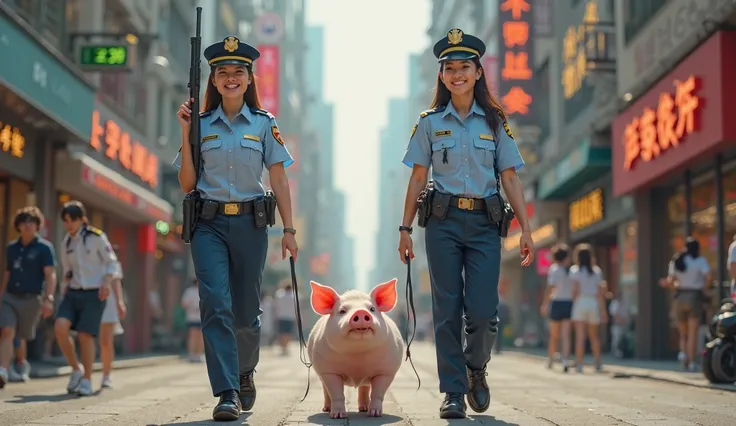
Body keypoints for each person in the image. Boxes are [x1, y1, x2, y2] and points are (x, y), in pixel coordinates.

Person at [397, 28, 535, 419]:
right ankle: (453, 391)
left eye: (465, 67)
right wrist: (404, 229)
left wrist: (525, 228)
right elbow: (418, 177)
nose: (458, 74)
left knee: (482, 311)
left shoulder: (494, 121)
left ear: (478, 72)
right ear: (441, 75)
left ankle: (476, 367)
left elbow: (510, 177)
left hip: (484, 224)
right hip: (441, 223)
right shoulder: (428, 123)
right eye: (450, 68)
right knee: (447, 310)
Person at [174, 35, 298, 421]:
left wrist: (290, 231)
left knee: (246, 312)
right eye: (222, 73)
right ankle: (226, 391)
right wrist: (185, 131)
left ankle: (245, 371)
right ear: (212, 80)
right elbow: (187, 183)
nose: (230, 78)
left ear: (249, 79)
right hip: (208, 224)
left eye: (237, 72)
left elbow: (278, 180)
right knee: (215, 303)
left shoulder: (264, 124)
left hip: (250, 224)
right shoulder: (201, 123)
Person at [55, 201, 118, 396]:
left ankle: (87, 380)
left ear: (82, 219)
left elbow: (111, 263)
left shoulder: (97, 237)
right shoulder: (66, 242)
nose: (69, 224)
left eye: (72, 220)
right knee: (60, 327)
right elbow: (67, 271)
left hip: (94, 293)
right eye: (65, 220)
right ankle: (76, 368)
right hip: (73, 292)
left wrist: (107, 283)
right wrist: (63, 289)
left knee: (84, 335)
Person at [0, 207, 57, 388]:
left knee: (21, 336)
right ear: (18, 226)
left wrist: (48, 298)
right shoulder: (12, 248)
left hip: (31, 299)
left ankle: (21, 363)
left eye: (32, 222)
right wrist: (1, 295)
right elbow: (7, 274)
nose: (27, 226)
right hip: (10, 296)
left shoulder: (44, 248)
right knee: (7, 330)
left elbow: (50, 275)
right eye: (24, 222)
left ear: (37, 226)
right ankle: (3, 370)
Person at [660, 237, 711, 371]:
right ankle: (693, 362)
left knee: (683, 333)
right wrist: (704, 289)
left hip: (679, 296)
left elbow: (671, 281)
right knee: (693, 332)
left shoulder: (677, 260)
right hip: (694, 296)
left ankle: (684, 358)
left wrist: (671, 284)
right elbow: (709, 276)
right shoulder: (700, 261)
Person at [569, 244, 608, 373]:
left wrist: (573, 306)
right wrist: (603, 311)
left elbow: (575, 291)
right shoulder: (596, 271)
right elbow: (600, 293)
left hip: (580, 302)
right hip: (593, 303)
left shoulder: (574, 271)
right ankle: (597, 363)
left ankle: (579, 364)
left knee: (580, 336)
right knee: (594, 336)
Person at [540, 244, 574, 372]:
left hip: (557, 303)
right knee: (566, 335)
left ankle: (551, 359)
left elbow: (550, 288)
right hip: (568, 303)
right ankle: (565, 361)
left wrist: (545, 304)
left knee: (554, 335)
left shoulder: (554, 269)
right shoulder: (572, 270)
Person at [99, 246, 126, 388]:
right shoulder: (92, 260)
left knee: (106, 341)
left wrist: (120, 303)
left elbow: (117, 284)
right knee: (87, 338)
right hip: (91, 301)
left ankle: (106, 374)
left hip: (109, 304)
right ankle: (84, 374)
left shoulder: (114, 264)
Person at [181, 278, 204, 362]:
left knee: (200, 337)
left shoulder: (204, 290)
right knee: (193, 336)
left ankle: (198, 354)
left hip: (202, 317)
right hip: (193, 317)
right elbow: (184, 304)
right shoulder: (189, 291)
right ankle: (192, 354)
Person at [273, 280, 296, 356]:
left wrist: (275, 316)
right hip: (290, 317)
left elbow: (276, 307)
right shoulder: (294, 296)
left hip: (281, 316)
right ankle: (285, 346)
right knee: (288, 333)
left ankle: (283, 347)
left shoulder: (279, 294)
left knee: (281, 332)